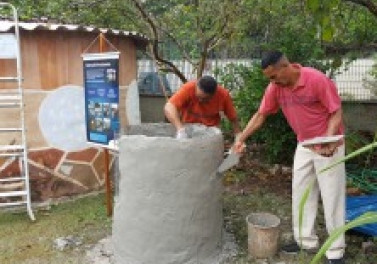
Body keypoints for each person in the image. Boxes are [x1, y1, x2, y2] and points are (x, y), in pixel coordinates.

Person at [233, 51, 346, 264]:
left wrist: (329, 139)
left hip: (329, 145)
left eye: (273, 76)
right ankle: (306, 241)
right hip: (304, 143)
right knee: (301, 192)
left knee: (332, 198)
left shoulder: (316, 80)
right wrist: (241, 138)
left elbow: (336, 111)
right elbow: (260, 115)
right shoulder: (276, 88)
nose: (272, 81)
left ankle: (336, 251)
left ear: (286, 66)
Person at [164, 75, 241, 139]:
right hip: (188, 129)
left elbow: (233, 118)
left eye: (205, 99)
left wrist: (238, 136)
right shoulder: (188, 88)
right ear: (196, 86)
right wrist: (180, 129)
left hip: (210, 133)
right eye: (198, 97)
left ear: (214, 94)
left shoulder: (223, 95)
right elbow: (169, 107)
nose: (200, 101)